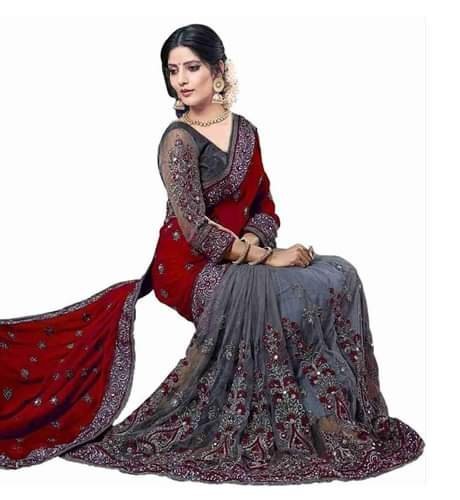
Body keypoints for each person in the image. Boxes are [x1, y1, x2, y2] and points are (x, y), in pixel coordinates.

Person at [0, 24, 425, 484]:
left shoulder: (246, 131)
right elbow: (195, 227)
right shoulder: (178, 140)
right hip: (187, 265)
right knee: (285, 298)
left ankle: (328, 417)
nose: (181, 80)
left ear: (218, 70)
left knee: (339, 275)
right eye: (173, 71)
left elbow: (264, 204)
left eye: (192, 68)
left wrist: (260, 242)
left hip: (244, 252)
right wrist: (265, 258)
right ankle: (289, 420)